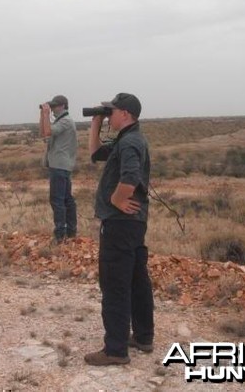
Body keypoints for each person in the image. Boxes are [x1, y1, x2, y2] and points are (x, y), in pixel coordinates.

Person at [84, 92, 154, 366]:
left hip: (120, 224)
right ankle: (143, 336)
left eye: (112, 111)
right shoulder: (128, 138)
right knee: (137, 280)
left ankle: (115, 349)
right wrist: (96, 122)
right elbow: (95, 153)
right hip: (132, 226)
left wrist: (116, 199)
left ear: (125, 114)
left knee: (114, 284)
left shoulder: (130, 143)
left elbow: (131, 176)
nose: (109, 115)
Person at [39, 95, 78, 243]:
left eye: (55, 106)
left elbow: (48, 132)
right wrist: (43, 115)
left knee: (58, 200)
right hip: (61, 166)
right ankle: (70, 232)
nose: (53, 109)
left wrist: (46, 114)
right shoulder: (61, 121)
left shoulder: (66, 122)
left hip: (60, 166)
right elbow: (43, 133)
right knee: (66, 199)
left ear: (63, 106)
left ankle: (60, 234)